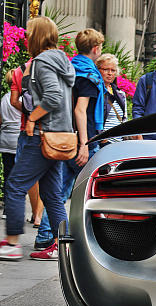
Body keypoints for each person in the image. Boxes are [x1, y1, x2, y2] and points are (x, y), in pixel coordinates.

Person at [0, 16, 75, 261]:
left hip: (42, 136)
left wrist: (32, 118)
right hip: (58, 137)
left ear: (38, 35)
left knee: (14, 186)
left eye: (29, 32)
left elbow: (52, 97)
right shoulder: (62, 60)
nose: (25, 36)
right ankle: (63, 245)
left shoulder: (42, 62)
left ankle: (11, 244)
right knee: (52, 194)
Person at [34, 28, 105, 251]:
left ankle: (46, 235)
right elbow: (80, 110)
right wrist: (84, 144)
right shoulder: (89, 76)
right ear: (95, 49)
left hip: (64, 136)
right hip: (83, 140)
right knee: (93, 192)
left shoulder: (69, 68)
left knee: (59, 190)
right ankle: (82, 238)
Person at [11, 58, 44, 227]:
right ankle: (44, 225)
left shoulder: (20, 70)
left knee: (26, 178)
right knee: (51, 180)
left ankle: (35, 215)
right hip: (51, 131)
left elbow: (14, 101)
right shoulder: (58, 66)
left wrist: (30, 115)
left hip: (27, 129)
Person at [1, 70, 22, 218]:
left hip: (5, 140)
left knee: (8, 173)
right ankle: (14, 210)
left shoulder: (4, 99)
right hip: (18, 139)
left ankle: (7, 210)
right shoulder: (21, 99)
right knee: (19, 177)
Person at [96, 53, 127, 145]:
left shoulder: (120, 94)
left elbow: (124, 119)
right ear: (98, 70)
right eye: (106, 69)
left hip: (119, 143)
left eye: (113, 70)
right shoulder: (96, 92)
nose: (110, 73)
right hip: (103, 143)